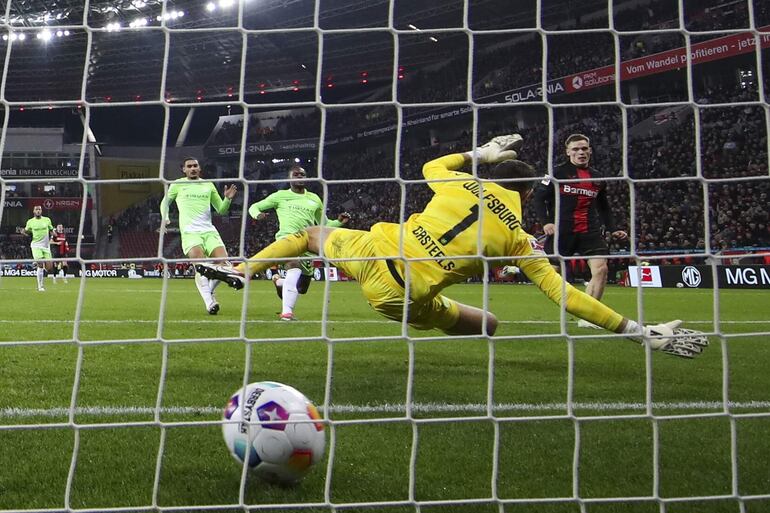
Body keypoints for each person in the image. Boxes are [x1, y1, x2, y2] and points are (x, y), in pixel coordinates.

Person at [198, 135, 707, 358]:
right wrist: (638, 331)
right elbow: (564, 296)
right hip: (402, 297)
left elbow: (431, 168)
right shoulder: (519, 239)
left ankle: (244, 268)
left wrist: (477, 153)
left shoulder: (460, 183)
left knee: (309, 238)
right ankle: (450, 324)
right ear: (529, 194)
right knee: (486, 325)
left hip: (375, 250)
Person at [533, 133, 628, 329]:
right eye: (576, 149)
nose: (581, 152)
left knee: (601, 269)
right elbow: (538, 199)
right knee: (552, 273)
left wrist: (613, 228)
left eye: (584, 148)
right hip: (561, 230)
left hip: (589, 231)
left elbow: (604, 207)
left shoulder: (598, 177)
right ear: (568, 152)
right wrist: (546, 222)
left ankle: (590, 317)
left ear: (590, 151)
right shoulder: (555, 173)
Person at [249, 165, 350, 320]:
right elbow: (254, 206)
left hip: (308, 244)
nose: (299, 177)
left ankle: (278, 280)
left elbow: (324, 224)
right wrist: (257, 215)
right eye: (296, 175)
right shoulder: (280, 195)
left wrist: (339, 222)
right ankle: (287, 313)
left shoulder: (314, 199)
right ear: (289, 178)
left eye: (302, 175)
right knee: (293, 267)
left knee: (301, 288)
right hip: (287, 239)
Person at [160, 157, 237, 315]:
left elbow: (221, 210)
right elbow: (164, 202)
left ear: (199, 168)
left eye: (195, 165)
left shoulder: (208, 185)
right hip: (190, 232)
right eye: (189, 166)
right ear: (184, 169)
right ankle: (210, 303)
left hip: (209, 231)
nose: (193, 168)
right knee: (201, 268)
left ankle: (208, 290)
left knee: (226, 266)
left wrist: (228, 199)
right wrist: (165, 218)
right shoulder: (178, 184)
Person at [22, 205, 56, 292]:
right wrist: (24, 234)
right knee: (40, 264)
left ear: (41, 211)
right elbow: (25, 231)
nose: (38, 211)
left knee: (49, 267)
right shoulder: (30, 222)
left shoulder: (47, 220)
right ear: (33, 211)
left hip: (46, 246)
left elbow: (51, 230)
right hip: (36, 245)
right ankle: (40, 286)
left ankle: (37, 263)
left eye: (39, 209)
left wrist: (54, 234)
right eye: (36, 209)